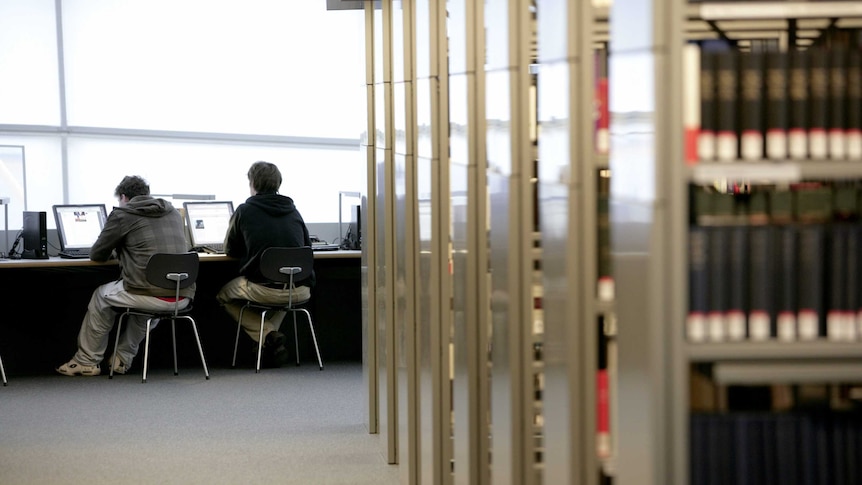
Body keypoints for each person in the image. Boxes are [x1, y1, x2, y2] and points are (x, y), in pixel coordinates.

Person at [56, 175, 194, 376]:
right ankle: (122, 359)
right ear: (146, 194)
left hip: (149, 293)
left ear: (123, 197)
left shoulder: (123, 214)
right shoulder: (172, 212)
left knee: (100, 296)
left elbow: (97, 254)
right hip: (181, 294)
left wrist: (118, 250)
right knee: (145, 307)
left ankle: (87, 361)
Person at [216, 161, 315, 368]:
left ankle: (268, 335)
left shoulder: (244, 210)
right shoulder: (294, 211)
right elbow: (307, 248)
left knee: (223, 296)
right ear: (278, 183)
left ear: (252, 183)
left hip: (263, 289)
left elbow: (230, 251)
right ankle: (268, 341)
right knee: (284, 295)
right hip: (300, 289)